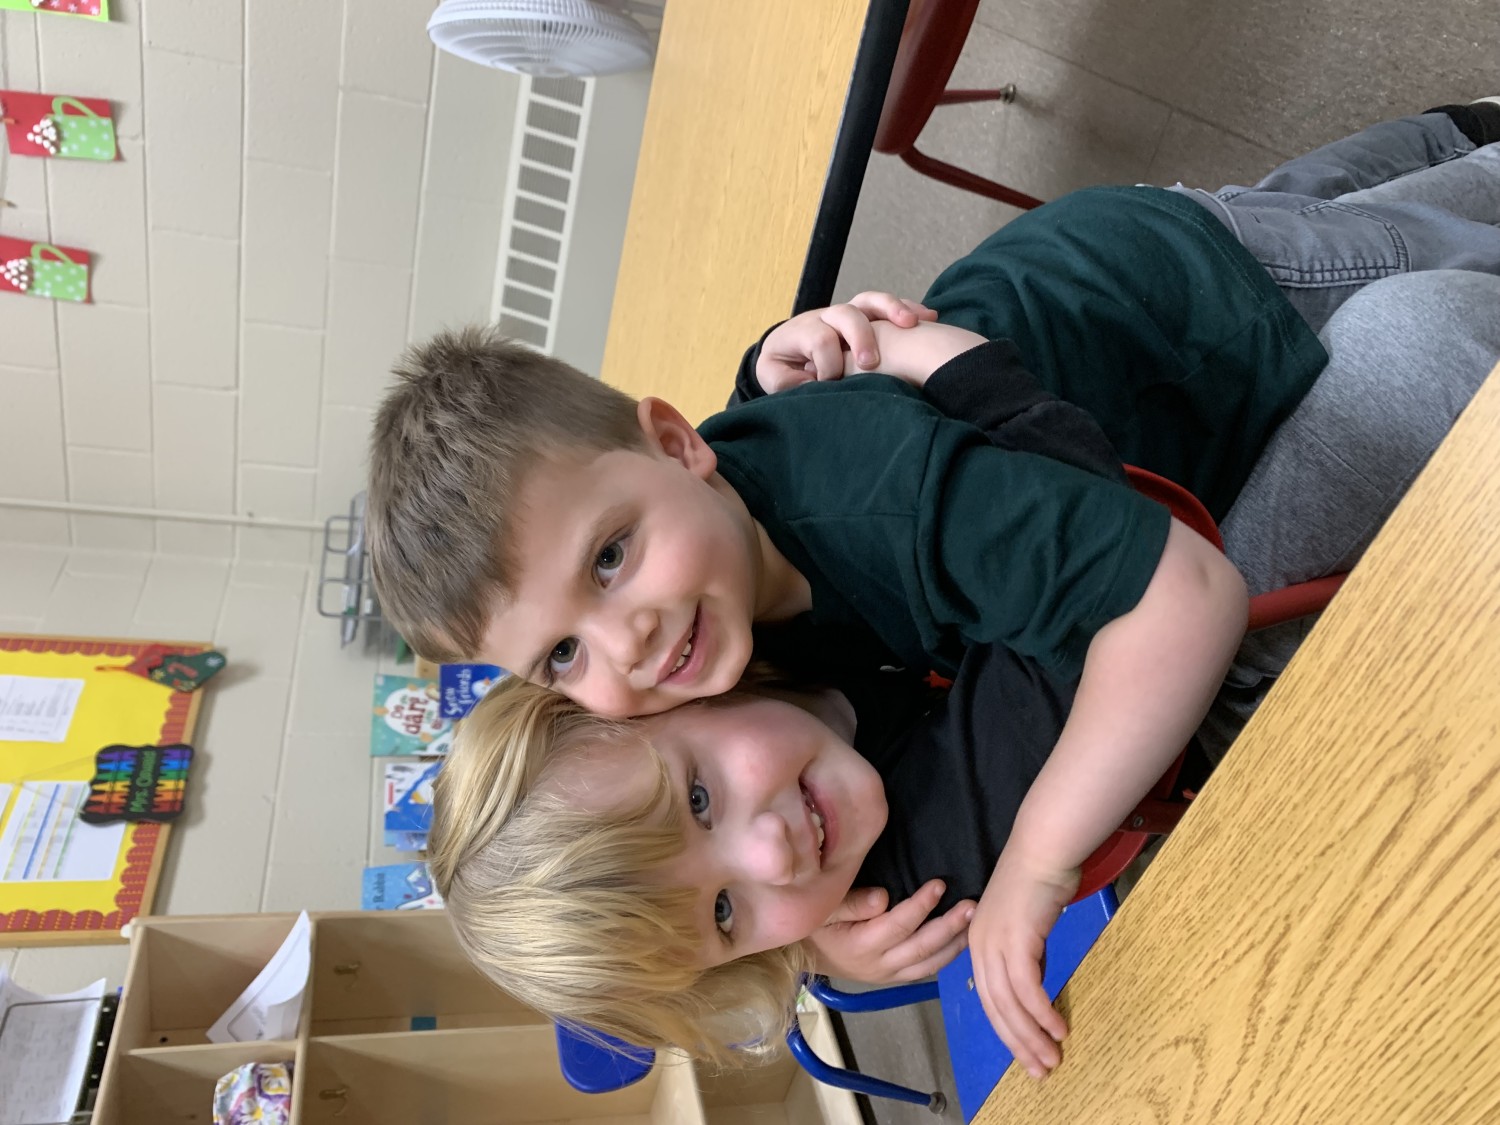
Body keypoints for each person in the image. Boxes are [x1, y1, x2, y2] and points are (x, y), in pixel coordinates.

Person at [369, 107, 1500, 1075]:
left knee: (1404, 238)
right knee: (1325, 211)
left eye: (609, 560)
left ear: (677, 447)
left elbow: (1168, 594)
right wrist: (816, 950)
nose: (627, 643)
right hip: (1101, 367)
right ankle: (1447, 134)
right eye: (563, 654)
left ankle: (1468, 151)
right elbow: (722, 470)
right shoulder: (691, 663)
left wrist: (1037, 864)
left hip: (1166, 304)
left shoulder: (871, 505)